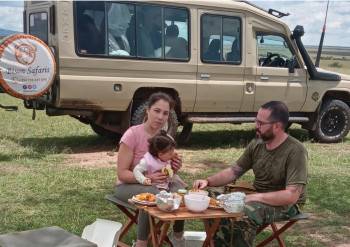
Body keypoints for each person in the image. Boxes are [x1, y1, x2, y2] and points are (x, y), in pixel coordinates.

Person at [194, 101, 308, 247]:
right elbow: (234, 171)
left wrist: (255, 197)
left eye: (261, 123)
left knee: (243, 213)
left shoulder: (296, 151)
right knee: (208, 199)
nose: (256, 125)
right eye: (256, 121)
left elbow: (291, 196)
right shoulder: (257, 144)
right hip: (256, 195)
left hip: (286, 204)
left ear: (277, 126)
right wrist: (208, 181)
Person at [115, 92, 186, 247]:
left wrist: (175, 167)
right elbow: (122, 173)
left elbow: (168, 171)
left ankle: (178, 237)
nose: (160, 117)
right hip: (127, 185)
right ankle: (141, 243)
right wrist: (150, 179)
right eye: (157, 110)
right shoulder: (132, 135)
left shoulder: (167, 139)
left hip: (159, 186)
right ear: (147, 110)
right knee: (153, 195)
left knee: (181, 191)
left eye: (165, 113)